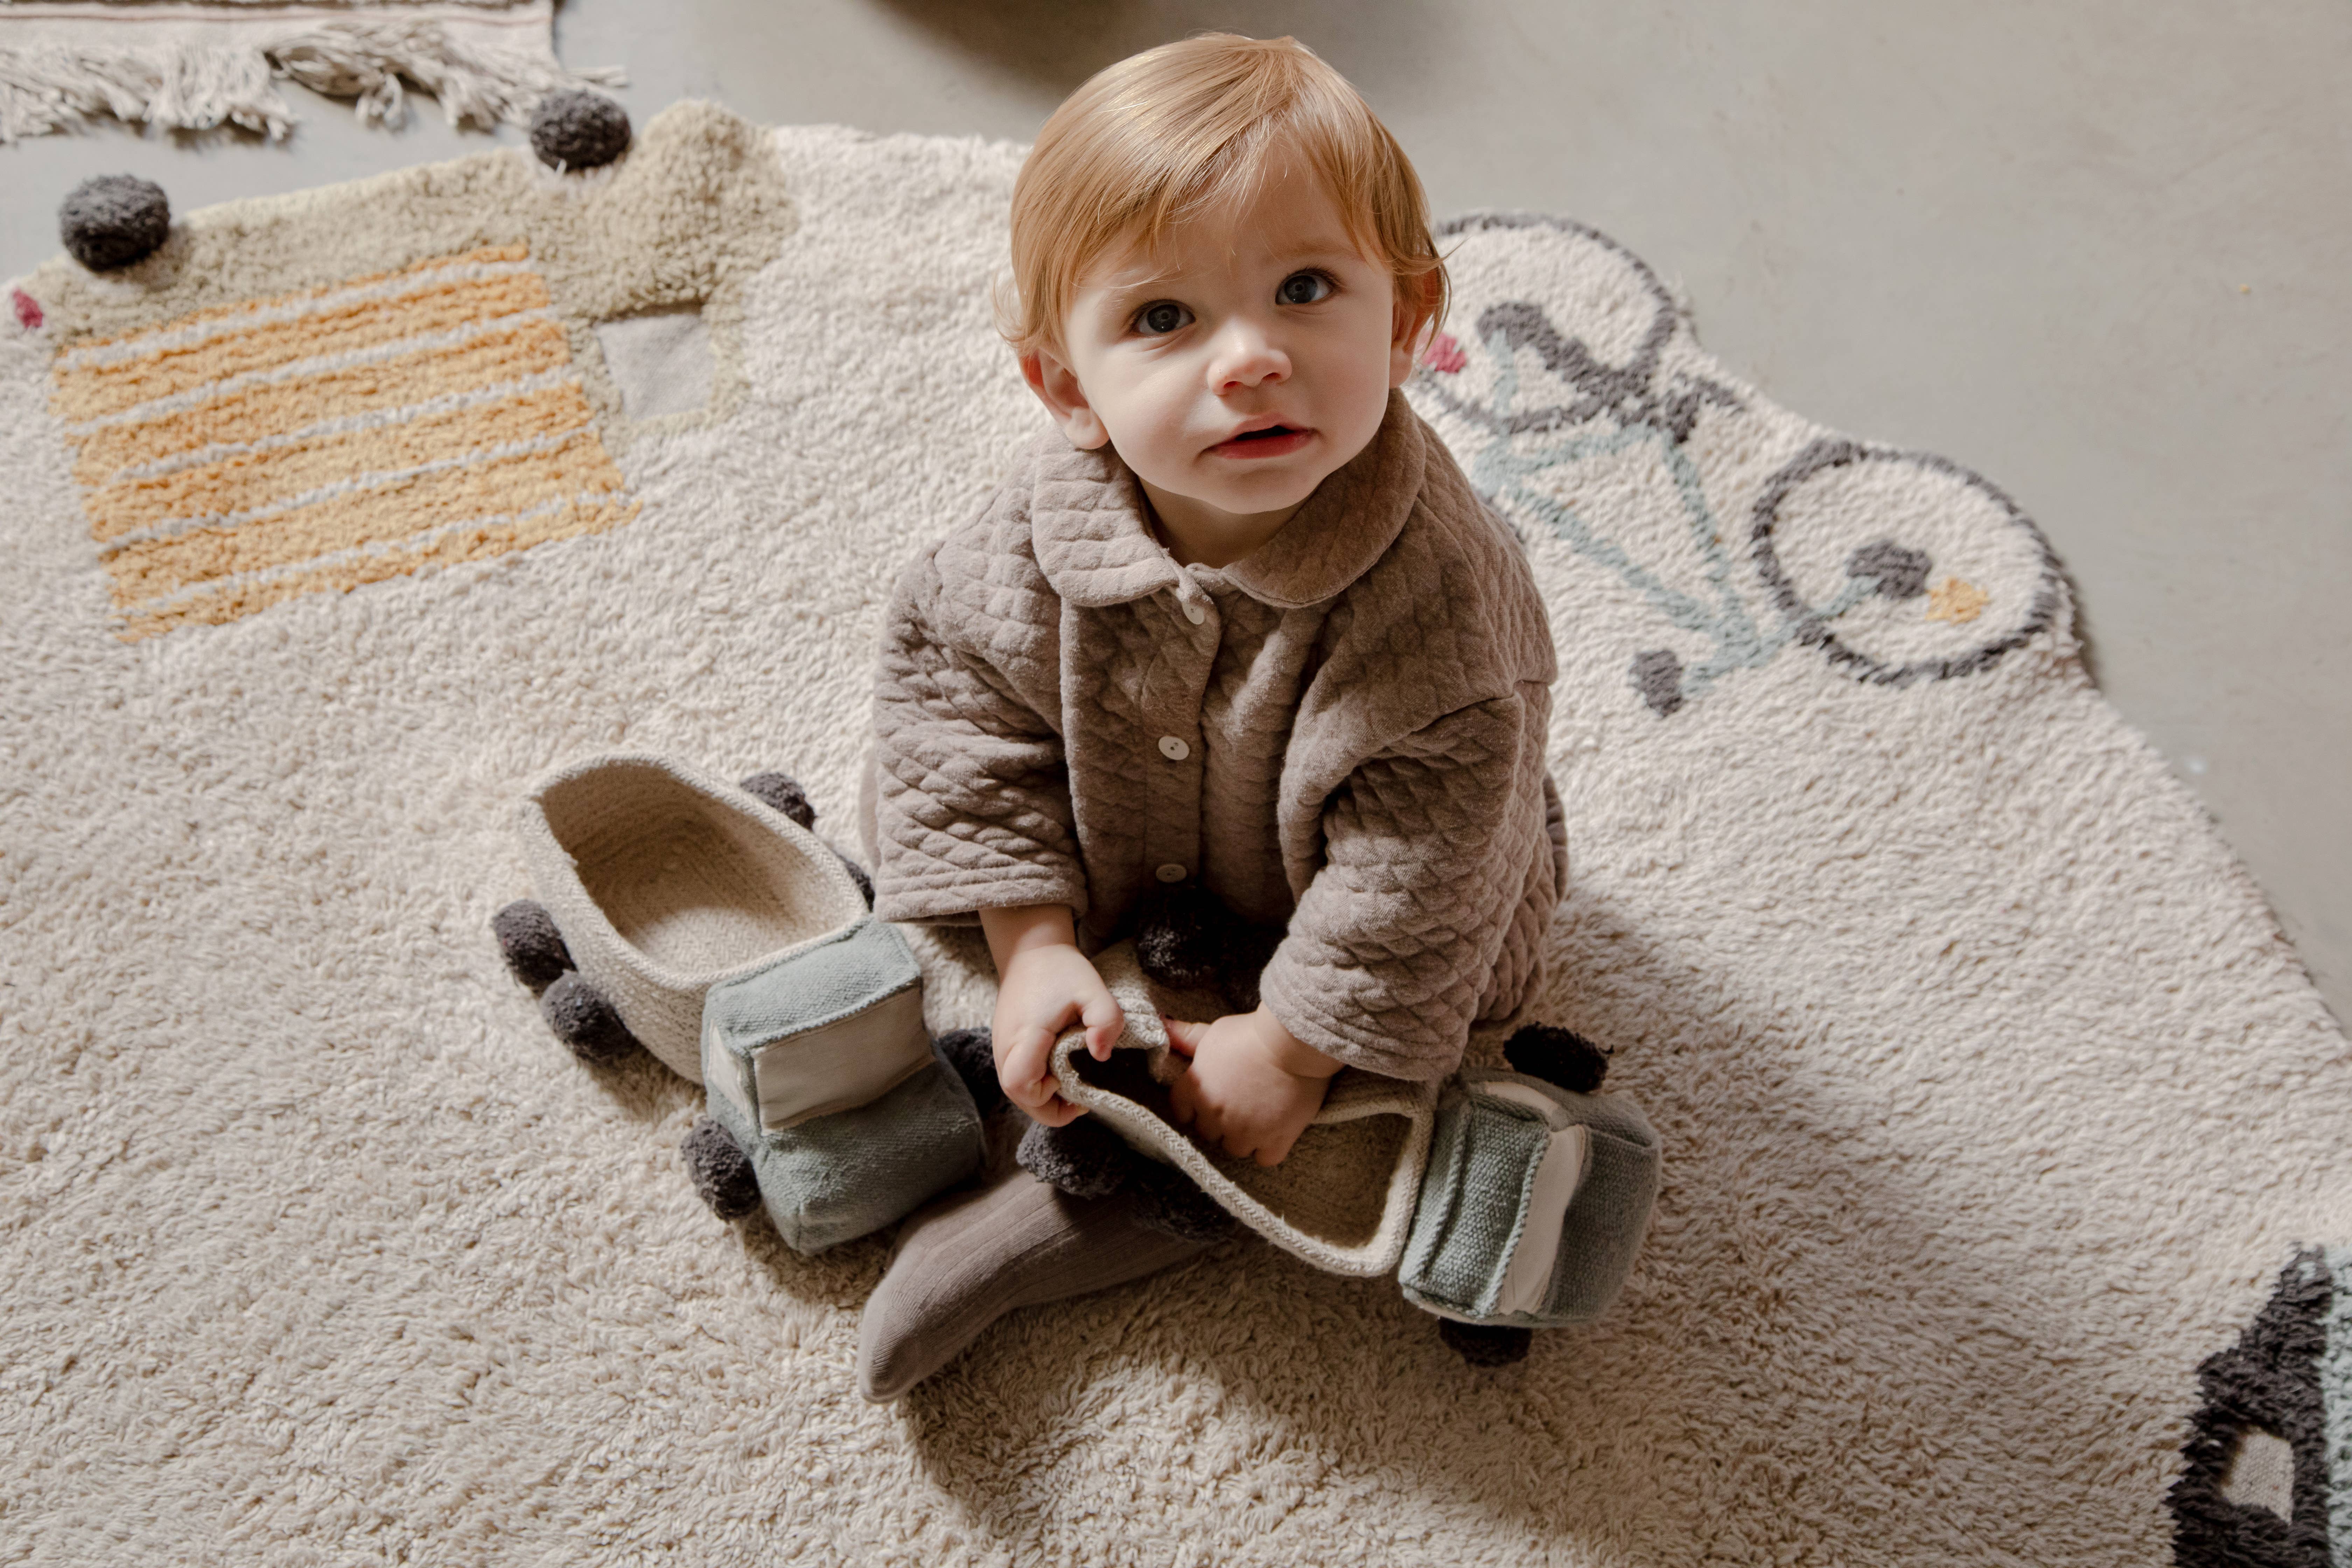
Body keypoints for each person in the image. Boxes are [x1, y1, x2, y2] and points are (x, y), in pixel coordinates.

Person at [854, 32, 1565, 1401]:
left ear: (1410, 319)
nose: (1249, 360)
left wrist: (1291, 1043)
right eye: (1164, 320)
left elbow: (1425, 862)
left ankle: (1106, 1207)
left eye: (1307, 290)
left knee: (1384, 1033)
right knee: (922, 775)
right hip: (1125, 821)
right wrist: (1035, 945)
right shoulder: (1023, 540)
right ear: (1066, 386)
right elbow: (956, 709)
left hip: (1346, 881)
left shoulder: (1446, 611)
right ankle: (1013, 1073)